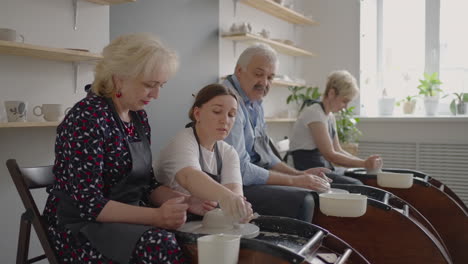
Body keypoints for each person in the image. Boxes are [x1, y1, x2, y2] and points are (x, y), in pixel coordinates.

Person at [43, 33, 192, 264]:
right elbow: (88, 203)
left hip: (124, 218)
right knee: (160, 245)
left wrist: (187, 202)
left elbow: (148, 186)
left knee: (192, 236)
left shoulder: (138, 117)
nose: (156, 95)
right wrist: (155, 216)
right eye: (149, 85)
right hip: (81, 228)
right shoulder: (87, 117)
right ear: (119, 78)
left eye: (160, 86)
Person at [222, 43, 332, 222]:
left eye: (270, 77)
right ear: (239, 71)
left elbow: (268, 156)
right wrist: (295, 181)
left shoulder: (255, 101)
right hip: (231, 185)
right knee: (305, 199)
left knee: (316, 190)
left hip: (251, 176)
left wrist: (299, 175)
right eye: (258, 74)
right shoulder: (228, 100)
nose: (264, 83)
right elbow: (239, 170)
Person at [155, 83, 253, 223]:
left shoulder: (229, 152)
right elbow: (189, 177)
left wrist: (240, 209)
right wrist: (229, 198)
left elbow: (234, 192)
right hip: (169, 219)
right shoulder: (182, 141)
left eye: (231, 114)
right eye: (217, 111)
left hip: (203, 221)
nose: (225, 120)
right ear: (197, 113)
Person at [289, 70, 382, 178]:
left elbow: (338, 150)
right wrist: (364, 164)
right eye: (344, 101)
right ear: (331, 93)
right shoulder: (314, 113)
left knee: (357, 176)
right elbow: (330, 155)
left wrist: (364, 163)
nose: (345, 107)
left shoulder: (329, 116)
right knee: (356, 183)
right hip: (309, 171)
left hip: (323, 168)